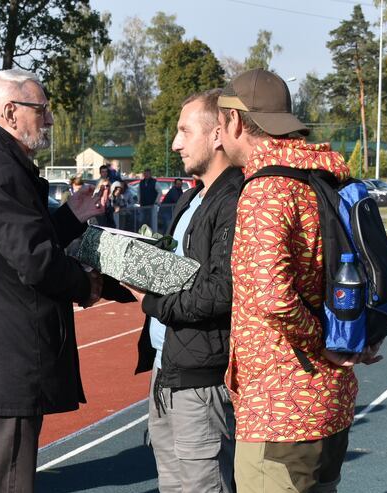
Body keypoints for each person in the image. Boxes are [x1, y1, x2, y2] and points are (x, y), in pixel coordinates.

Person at [0, 68, 106, 493]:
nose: (48, 121)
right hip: (3, 361)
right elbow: (33, 260)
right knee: (2, 483)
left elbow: (13, 244)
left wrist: (68, 218)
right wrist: (87, 287)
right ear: (11, 112)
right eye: (42, 110)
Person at [219, 68, 381, 493]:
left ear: (236, 122)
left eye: (220, 124)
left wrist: (321, 342)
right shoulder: (324, 176)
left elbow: (273, 297)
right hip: (330, 399)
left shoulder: (267, 189)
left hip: (281, 407)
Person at [133, 89, 242, 493]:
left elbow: (221, 292)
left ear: (217, 135)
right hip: (167, 370)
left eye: (184, 131)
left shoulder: (233, 200)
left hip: (201, 378)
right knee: (173, 486)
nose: (175, 143)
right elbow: (172, 270)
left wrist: (152, 302)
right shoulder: (192, 195)